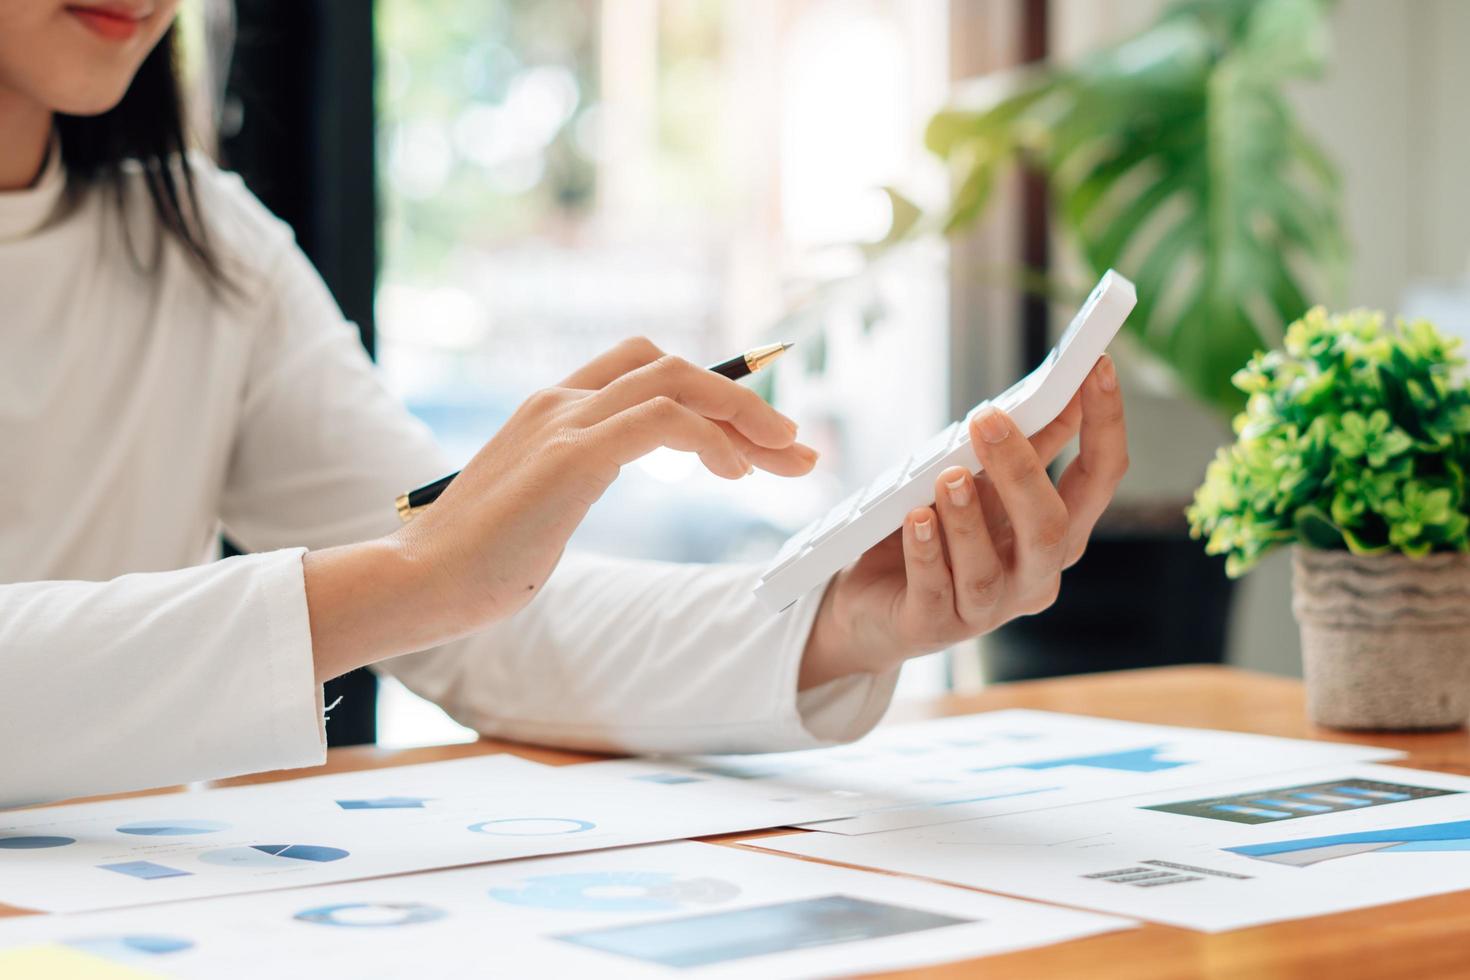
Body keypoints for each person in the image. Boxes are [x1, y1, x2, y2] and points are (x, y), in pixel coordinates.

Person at [0, 1, 1129, 808]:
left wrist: (835, 621)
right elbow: (418, 577)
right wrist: (410, 574)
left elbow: (487, 621)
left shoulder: (205, 247)